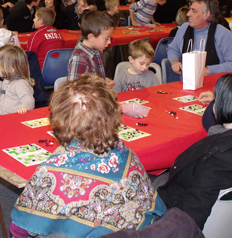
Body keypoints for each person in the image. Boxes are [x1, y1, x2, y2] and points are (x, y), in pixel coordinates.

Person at [11, 74, 166, 238]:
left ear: (58, 120)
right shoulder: (126, 154)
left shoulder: (51, 169)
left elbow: (22, 228)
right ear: (113, 114)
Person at [158, 73, 232, 230]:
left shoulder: (217, 158)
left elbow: (189, 216)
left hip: (193, 222)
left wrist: (171, 195)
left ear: (221, 106)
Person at [167, 0, 232, 77]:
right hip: (187, 83)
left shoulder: (223, 34)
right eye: (190, 9)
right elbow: (172, 49)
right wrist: (174, 61)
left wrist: (207, 70)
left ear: (206, 14)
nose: (188, 14)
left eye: (194, 11)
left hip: (214, 85)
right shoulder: (184, 28)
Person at [67, 11, 116, 84]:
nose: (109, 42)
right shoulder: (79, 58)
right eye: (106, 38)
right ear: (91, 37)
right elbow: (74, 91)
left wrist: (103, 81)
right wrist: (102, 87)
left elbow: (94, 79)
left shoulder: (97, 50)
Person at [0, 45, 35, 115]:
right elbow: (6, 87)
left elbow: (28, 98)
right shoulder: (9, 79)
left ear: (11, 68)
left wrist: (24, 107)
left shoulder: (21, 84)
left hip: (11, 117)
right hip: (1, 114)